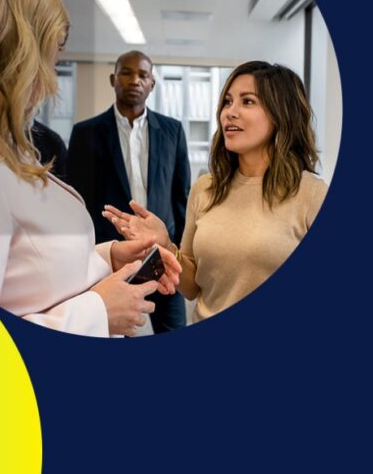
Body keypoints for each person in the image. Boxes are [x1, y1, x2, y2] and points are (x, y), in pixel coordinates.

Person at [0, 0, 181, 338]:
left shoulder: (13, 149)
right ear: (20, 52)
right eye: (54, 51)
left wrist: (108, 256)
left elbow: (34, 268)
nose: (54, 71)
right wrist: (98, 311)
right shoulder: (82, 133)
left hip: (142, 258)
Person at [105, 61, 327, 323]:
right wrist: (165, 245)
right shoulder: (206, 188)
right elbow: (191, 287)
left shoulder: (311, 194)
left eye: (247, 101)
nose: (230, 112)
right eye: (228, 102)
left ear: (281, 113)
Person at [65, 51, 191, 334]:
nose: (135, 80)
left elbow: (180, 197)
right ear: (113, 79)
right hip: (110, 259)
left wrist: (179, 250)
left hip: (162, 257)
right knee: (117, 335)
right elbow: (77, 204)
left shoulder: (172, 131)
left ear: (152, 84)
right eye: (126, 73)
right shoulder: (85, 133)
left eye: (143, 75)